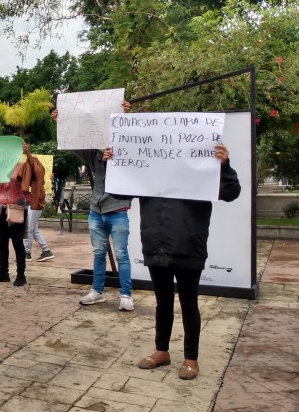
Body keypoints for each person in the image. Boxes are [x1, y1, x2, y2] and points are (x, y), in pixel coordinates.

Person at [131, 143, 241, 380]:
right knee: (163, 303)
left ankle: (191, 358)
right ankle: (162, 351)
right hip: (156, 245)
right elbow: (119, 190)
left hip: (189, 246)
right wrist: (112, 163)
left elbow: (231, 193)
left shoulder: (201, 170)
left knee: (188, 304)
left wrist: (224, 166)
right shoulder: (149, 169)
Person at [53, 104, 134, 310]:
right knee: (98, 252)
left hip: (117, 210)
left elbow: (137, 143)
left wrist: (127, 116)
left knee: (121, 254)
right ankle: (98, 291)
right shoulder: (92, 154)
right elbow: (73, 143)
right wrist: (60, 123)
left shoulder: (127, 147)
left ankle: (126, 295)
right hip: (96, 211)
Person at [0, 143, 36, 287]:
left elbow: (34, 171)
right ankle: (3, 273)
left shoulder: (21, 166)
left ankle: (21, 275)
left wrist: (28, 153)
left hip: (16, 208)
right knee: (2, 242)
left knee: (17, 243)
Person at [23, 157, 55, 262]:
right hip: (33, 204)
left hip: (34, 205)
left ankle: (27, 253)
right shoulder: (35, 181)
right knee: (34, 230)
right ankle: (46, 251)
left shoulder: (37, 182)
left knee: (29, 229)